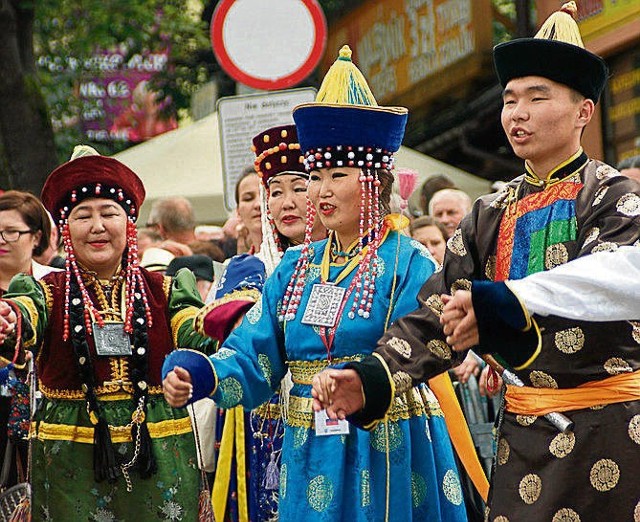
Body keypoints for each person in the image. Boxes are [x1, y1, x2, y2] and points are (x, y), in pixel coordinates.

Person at [312, 4, 640, 521]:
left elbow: (597, 298)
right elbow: (440, 313)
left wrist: (498, 312)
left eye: (538, 97)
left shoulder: (614, 199)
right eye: (510, 100)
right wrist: (373, 376)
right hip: (522, 439)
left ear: (584, 112)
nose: (517, 113)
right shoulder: (490, 212)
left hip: (612, 433)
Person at [163, 46, 474, 521]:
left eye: (338, 175)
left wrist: (364, 378)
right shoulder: (294, 267)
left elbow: (431, 340)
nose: (321, 190)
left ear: (373, 182)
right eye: (316, 176)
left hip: (387, 439)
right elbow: (253, 354)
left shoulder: (407, 262)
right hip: (309, 441)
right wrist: (201, 374)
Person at [0, 147, 214, 520]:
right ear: (66, 229)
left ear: (130, 223)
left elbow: (194, 330)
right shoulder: (45, 291)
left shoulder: (164, 289)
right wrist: (11, 319)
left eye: (108, 214)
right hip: (71, 458)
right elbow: (25, 314)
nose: (97, 227)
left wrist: (223, 320)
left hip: (159, 453)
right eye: (83, 216)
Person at [192, 124, 325, 522]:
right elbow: (226, 323)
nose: (287, 202)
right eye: (275, 191)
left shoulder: (359, 263)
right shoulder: (247, 268)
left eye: (300, 187)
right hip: (265, 423)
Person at [0, 191, 59, 491]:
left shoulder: (57, 285)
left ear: (36, 237)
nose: (1, 239)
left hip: (52, 420)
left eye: (11, 232)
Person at [233, 166, 263, 255]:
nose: (258, 204)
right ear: (238, 212)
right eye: (248, 198)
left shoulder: (300, 259)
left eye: (264, 196)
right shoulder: (234, 266)